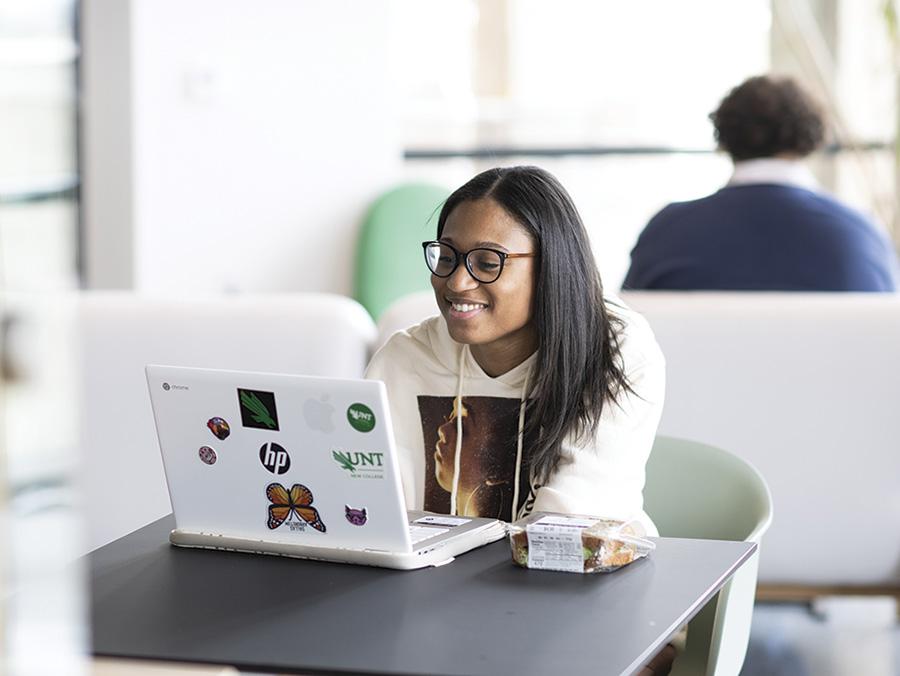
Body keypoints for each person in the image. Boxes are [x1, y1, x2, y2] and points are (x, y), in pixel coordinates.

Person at [365, 165, 679, 674]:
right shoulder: (404, 359)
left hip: (590, 601)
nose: (456, 281)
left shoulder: (613, 348)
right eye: (446, 257)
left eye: (488, 262)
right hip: (434, 608)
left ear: (552, 265)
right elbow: (375, 516)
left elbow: (569, 531)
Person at [622, 74, 900, 292]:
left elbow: (626, 341)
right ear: (812, 138)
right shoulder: (861, 235)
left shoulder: (666, 232)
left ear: (724, 136)